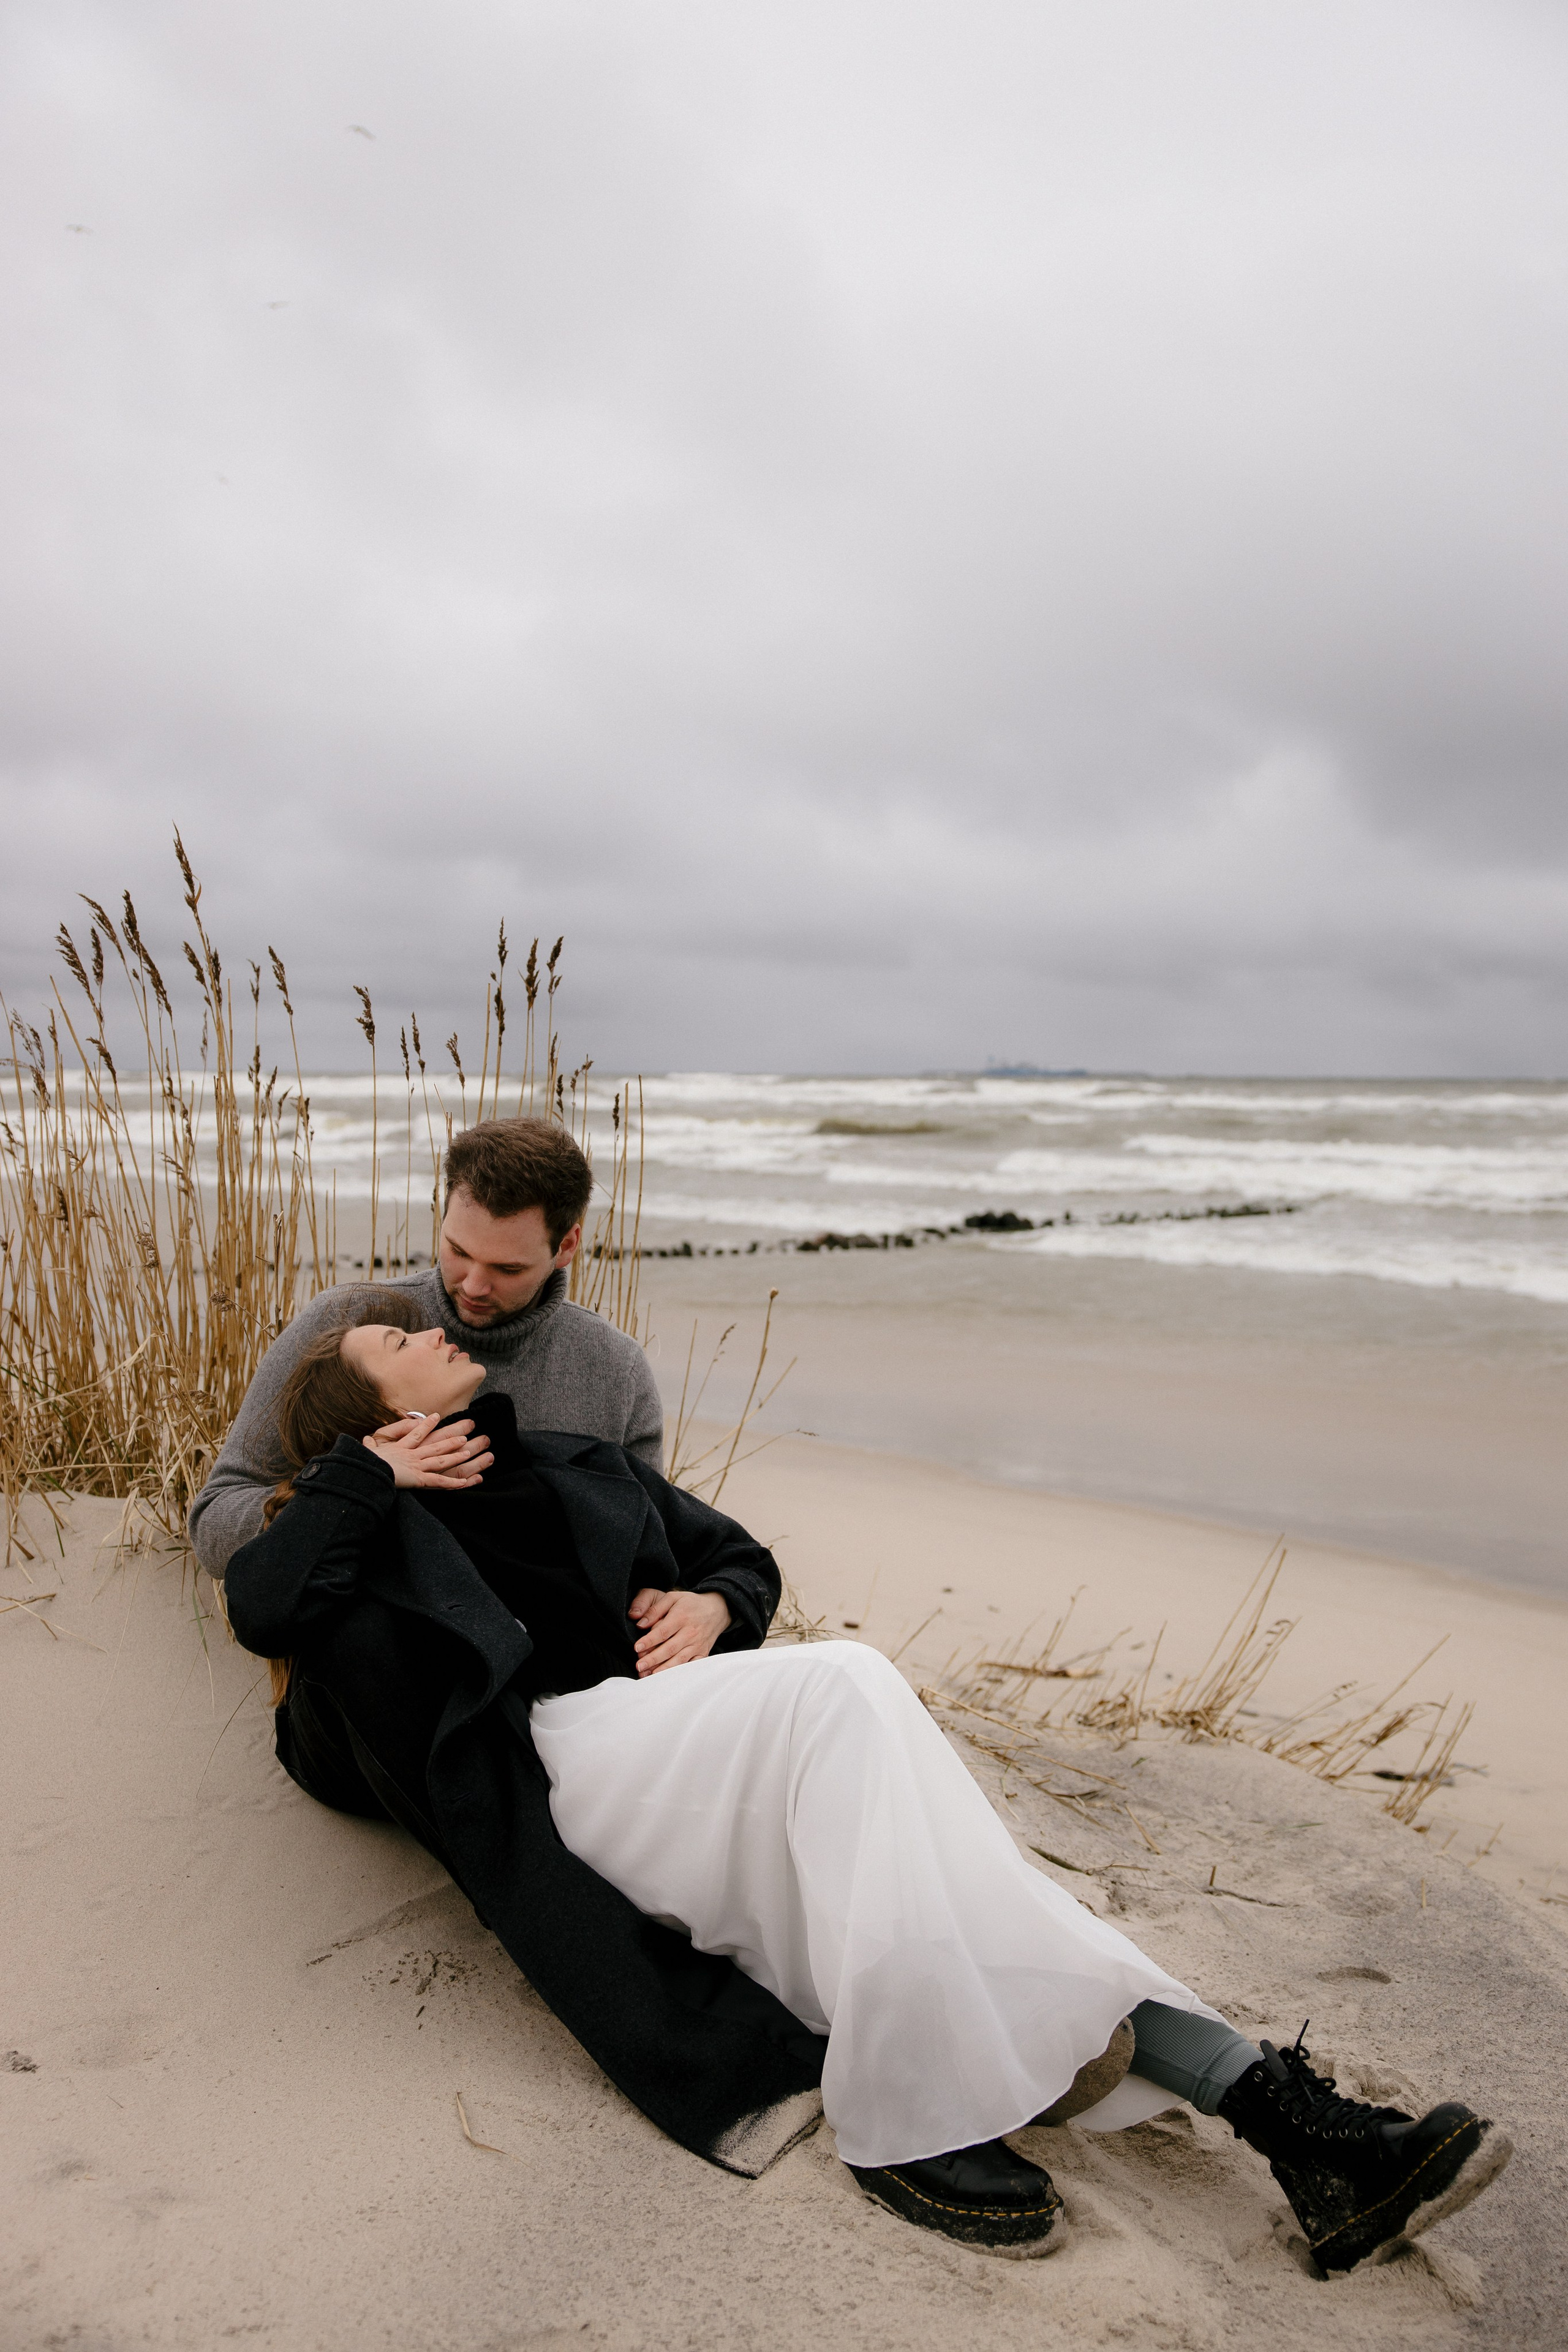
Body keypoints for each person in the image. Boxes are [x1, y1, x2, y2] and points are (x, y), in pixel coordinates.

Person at [218, 1294, 1512, 2271]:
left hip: (683, 1748)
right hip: (562, 1762)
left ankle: (1297, 2131)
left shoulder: (565, 1459)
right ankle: (898, 2118)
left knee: (972, 1884)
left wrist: (716, 1606)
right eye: (391, 1338)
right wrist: (365, 1483)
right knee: (846, 1685)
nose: (425, 1323)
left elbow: (743, 1559)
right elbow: (264, 1607)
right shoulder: (361, 1541)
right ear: (378, 1420)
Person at [189, 1117, 663, 1578]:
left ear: (567, 1245)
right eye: (458, 1251)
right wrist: (356, 1483)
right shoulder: (349, 1322)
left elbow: (656, 1546)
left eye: (507, 1269)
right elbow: (215, 1523)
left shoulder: (615, 1370)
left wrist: (708, 1599)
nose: (474, 1285)